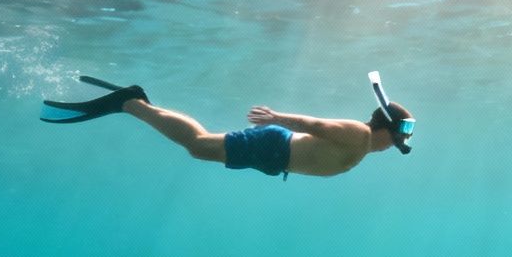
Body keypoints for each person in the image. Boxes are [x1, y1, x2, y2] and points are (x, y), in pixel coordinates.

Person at [40, 75, 413, 179]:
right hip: (273, 145)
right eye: (394, 142)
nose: (389, 149)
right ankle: (131, 102)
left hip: (275, 157)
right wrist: (276, 117)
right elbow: (315, 124)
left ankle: (135, 104)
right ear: (386, 128)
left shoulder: (364, 144)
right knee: (199, 146)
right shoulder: (360, 134)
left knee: (199, 148)